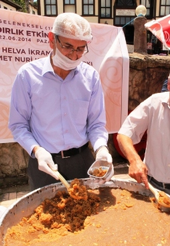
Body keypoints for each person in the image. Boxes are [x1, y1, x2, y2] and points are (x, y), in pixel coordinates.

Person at [9, 13, 113, 190]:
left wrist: (101, 149)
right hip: (44, 163)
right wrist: (36, 150)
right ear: (51, 40)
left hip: (82, 161)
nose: (73, 56)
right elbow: (18, 125)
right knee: (45, 214)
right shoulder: (27, 75)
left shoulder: (91, 77)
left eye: (80, 49)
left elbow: (96, 124)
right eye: (67, 46)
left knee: (88, 214)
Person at [117, 57, 170, 235]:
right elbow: (124, 133)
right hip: (150, 188)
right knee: (147, 237)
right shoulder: (154, 103)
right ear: (169, 85)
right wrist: (134, 160)